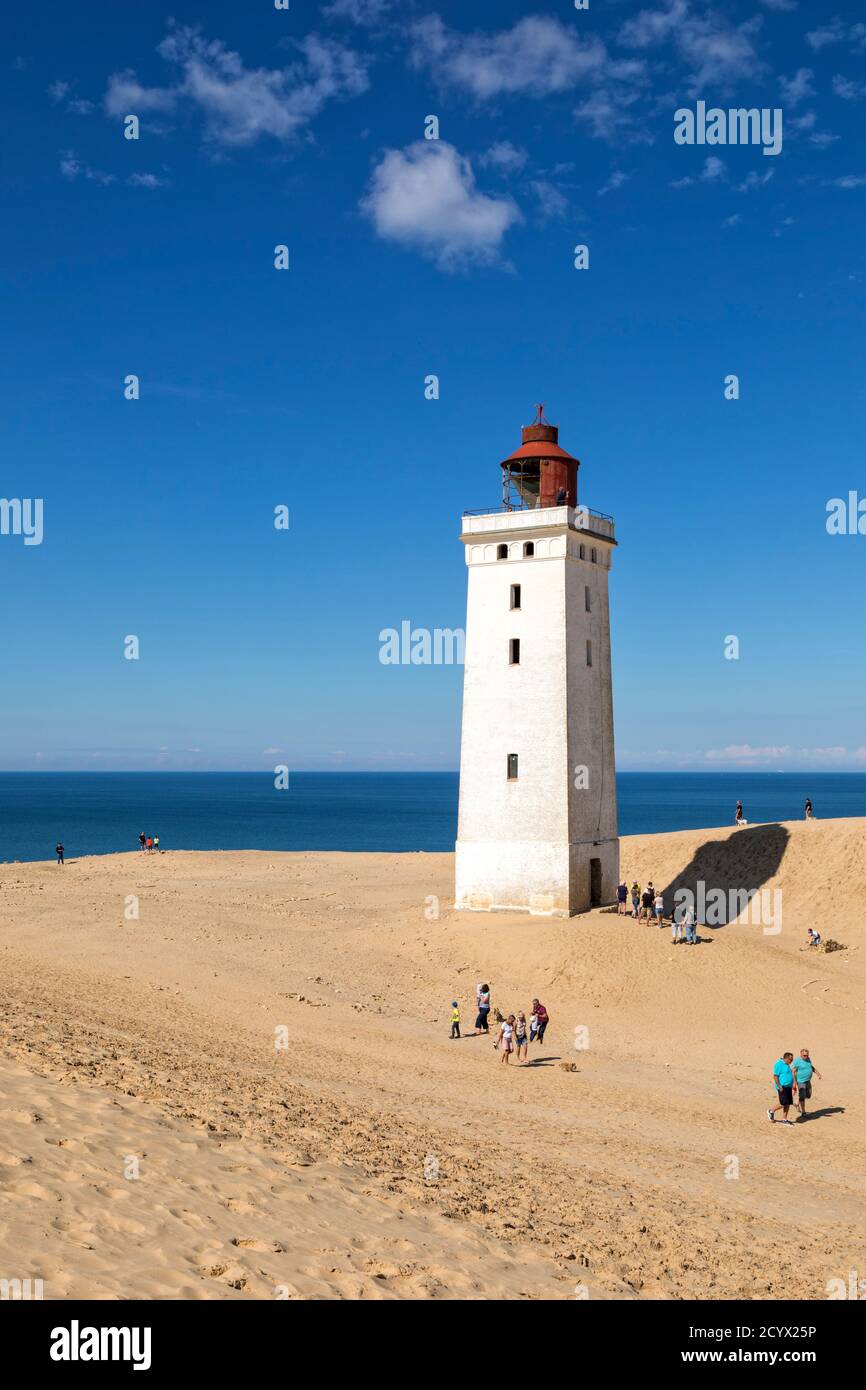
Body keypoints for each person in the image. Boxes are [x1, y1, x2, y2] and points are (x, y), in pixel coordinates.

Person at [793, 1049, 822, 1121]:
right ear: (801, 1054)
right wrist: (794, 1082)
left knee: (808, 1095)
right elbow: (793, 1071)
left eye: (807, 1055)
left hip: (808, 1081)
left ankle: (797, 1102)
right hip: (801, 1082)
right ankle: (803, 1112)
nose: (806, 1057)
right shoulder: (797, 1061)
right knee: (802, 1096)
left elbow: (811, 1067)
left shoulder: (808, 1059)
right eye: (804, 1055)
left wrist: (817, 1073)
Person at [768, 1051, 796, 1125]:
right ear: (785, 1058)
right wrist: (779, 1086)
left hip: (788, 1087)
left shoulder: (787, 1064)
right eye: (790, 1059)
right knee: (783, 1103)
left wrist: (793, 1085)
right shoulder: (779, 1064)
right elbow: (775, 1076)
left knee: (788, 1103)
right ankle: (771, 1111)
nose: (791, 1061)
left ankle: (784, 1119)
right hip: (782, 1087)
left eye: (792, 1060)